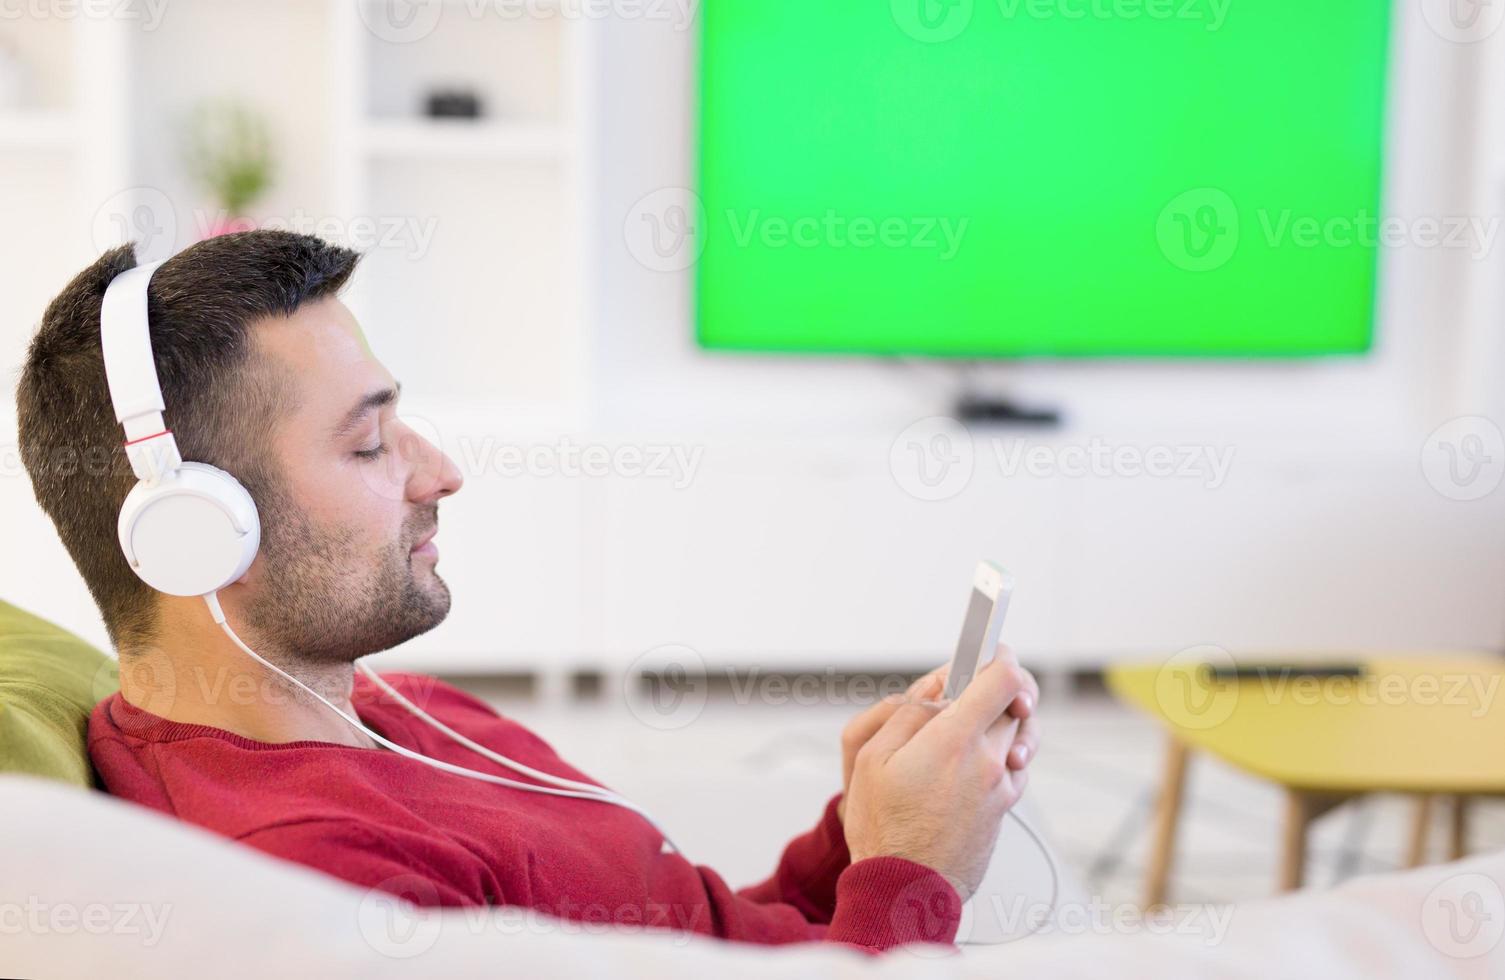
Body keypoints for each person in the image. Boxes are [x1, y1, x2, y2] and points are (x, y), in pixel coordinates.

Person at [15, 231, 1040, 952]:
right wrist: (916, 874)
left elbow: (700, 932)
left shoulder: (396, 708)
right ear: (196, 534)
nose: (440, 470)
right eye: (368, 441)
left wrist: (865, 829)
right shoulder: (324, 877)